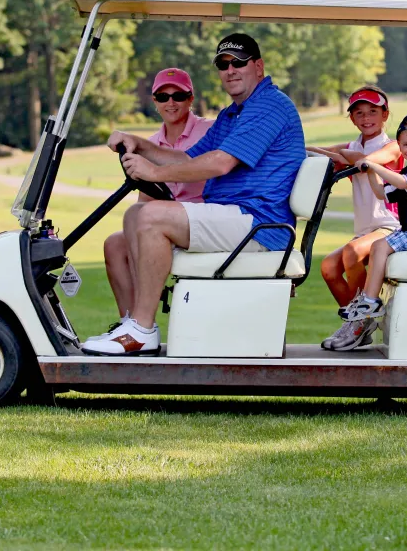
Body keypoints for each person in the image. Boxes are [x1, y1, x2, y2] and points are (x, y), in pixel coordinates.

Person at [82, 33, 306, 357]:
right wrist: (138, 143)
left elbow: (220, 163)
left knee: (149, 216)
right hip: (236, 216)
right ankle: (136, 324)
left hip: (259, 223)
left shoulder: (269, 105)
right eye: (223, 64)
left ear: (258, 66)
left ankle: (142, 329)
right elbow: (188, 158)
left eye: (238, 62)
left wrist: (154, 172)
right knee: (134, 215)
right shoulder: (234, 114)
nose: (230, 70)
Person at [321, 114, 407, 351]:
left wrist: (372, 164)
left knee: (379, 246)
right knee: (378, 247)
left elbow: (402, 183)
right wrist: (372, 171)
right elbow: (382, 194)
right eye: (406, 145)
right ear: (400, 146)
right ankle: (367, 305)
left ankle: (369, 302)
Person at [101, 67, 213, 324]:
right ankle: (128, 323)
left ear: (191, 98)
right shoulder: (149, 145)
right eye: (163, 97)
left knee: (140, 217)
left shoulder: (209, 132)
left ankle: (143, 322)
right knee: (115, 244)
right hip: (165, 225)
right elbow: (146, 202)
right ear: (154, 101)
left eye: (178, 96)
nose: (171, 102)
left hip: (200, 222)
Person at [306, 86, 402, 349]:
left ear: (385, 115)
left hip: (392, 228)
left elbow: (369, 161)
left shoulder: (393, 146)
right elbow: (315, 150)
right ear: (351, 118)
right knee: (328, 266)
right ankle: (358, 323)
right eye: (359, 113)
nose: (366, 117)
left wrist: (343, 156)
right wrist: (332, 154)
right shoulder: (351, 147)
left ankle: (359, 322)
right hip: (366, 231)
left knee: (351, 252)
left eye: (373, 111)